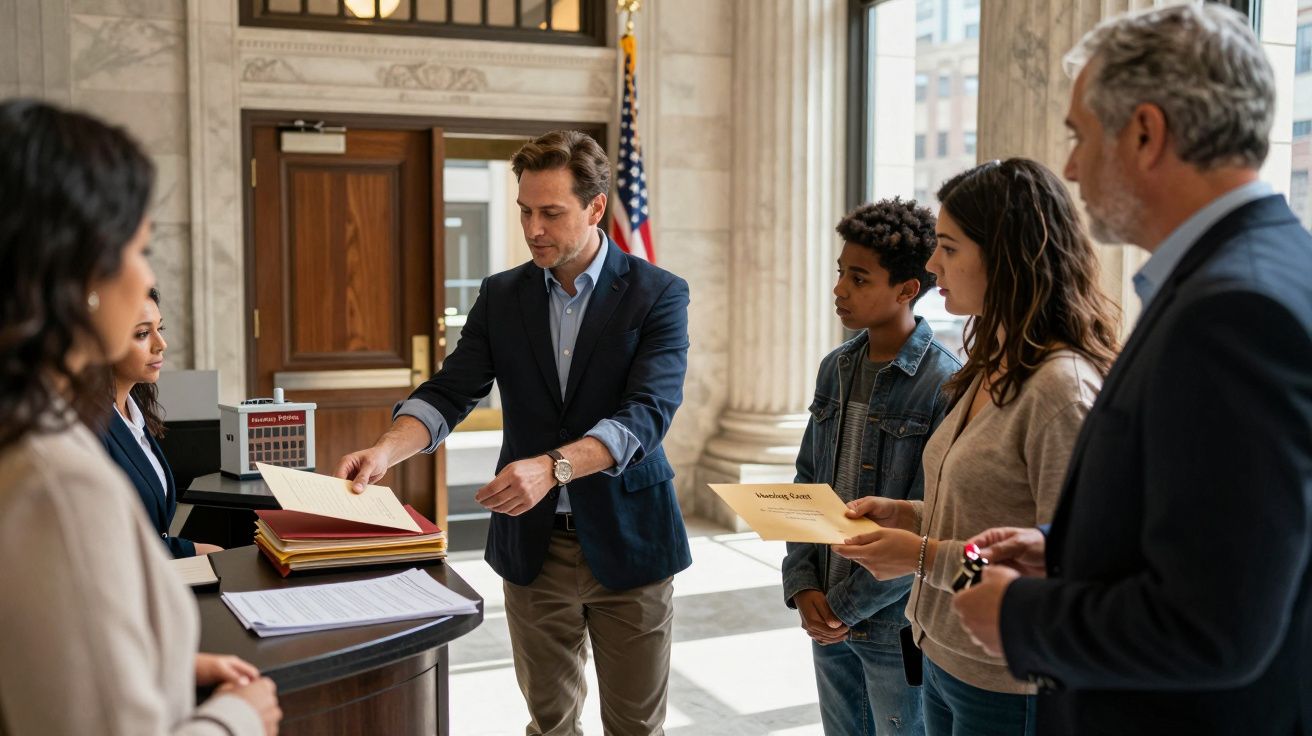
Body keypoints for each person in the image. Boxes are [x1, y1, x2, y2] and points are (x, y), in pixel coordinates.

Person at [953, 6, 1312, 734]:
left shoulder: (1232, 311)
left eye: (1080, 136)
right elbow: (1234, 530)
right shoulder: (1260, 269)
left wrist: (1020, 616)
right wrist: (1067, 549)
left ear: (1146, 133)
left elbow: (1213, 625)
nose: (1072, 167)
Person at [335, 130, 690, 735]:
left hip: (632, 542)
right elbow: (450, 392)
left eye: (550, 213)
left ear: (595, 208)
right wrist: (385, 450)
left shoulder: (658, 293)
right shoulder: (501, 296)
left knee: (636, 727)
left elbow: (648, 413)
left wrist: (553, 467)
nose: (533, 229)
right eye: (525, 211)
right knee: (549, 723)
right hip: (534, 548)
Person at [0, 99, 280, 734]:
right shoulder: (57, 482)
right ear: (78, 274)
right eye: (139, 247)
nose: (146, 274)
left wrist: (166, 664)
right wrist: (237, 718)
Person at [832, 159, 1119, 735]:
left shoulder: (1060, 390)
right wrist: (909, 514)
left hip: (1006, 680)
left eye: (949, 248)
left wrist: (920, 556)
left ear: (1006, 256)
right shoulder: (991, 360)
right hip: (942, 655)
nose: (933, 266)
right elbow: (991, 515)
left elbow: (1065, 567)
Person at [782, 198, 960, 736]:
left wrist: (844, 607)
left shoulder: (944, 383)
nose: (840, 288)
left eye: (858, 278)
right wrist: (804, 585)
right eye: (841, 272)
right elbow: (806, 481)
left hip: (890, 622)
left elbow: (931, 518)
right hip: (825, 609)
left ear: (908, 289)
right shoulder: (835, 367)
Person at [100, 287, 222, 558]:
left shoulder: (134, 413)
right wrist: (190, 550)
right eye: (143, 333)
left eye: (160, 328)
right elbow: (110, 543)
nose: (161, 344)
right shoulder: (89, 429)